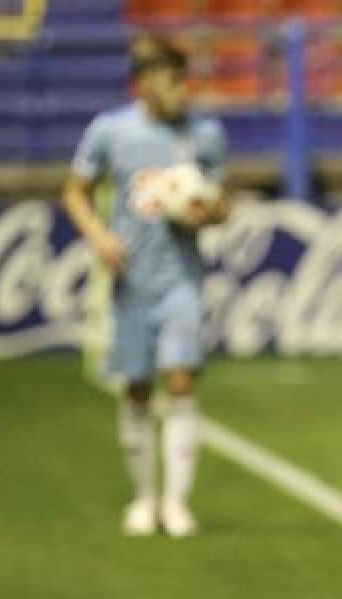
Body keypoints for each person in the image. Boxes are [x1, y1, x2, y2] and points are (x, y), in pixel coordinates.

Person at [62, 37, 229, 537]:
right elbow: (75, 192)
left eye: (184, 79)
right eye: (173, 80)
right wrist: (99, 237)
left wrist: (204, 212)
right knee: (136, 387)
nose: (183, 90)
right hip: (132, 281)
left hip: (182, 279)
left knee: (180, 380)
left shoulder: (205, 134)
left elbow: (223, 204)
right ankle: (144, 498)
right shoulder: (110, 131)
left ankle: (176, 504)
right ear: (145, 83)